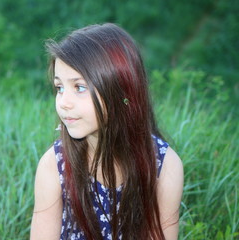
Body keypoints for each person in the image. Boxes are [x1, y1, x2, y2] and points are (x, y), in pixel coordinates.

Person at [30, 23, 183, 240]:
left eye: (79, 87)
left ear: (122, 89)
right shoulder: (55, 166)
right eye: (59, 88)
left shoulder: (164, 166)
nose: (63, 102)